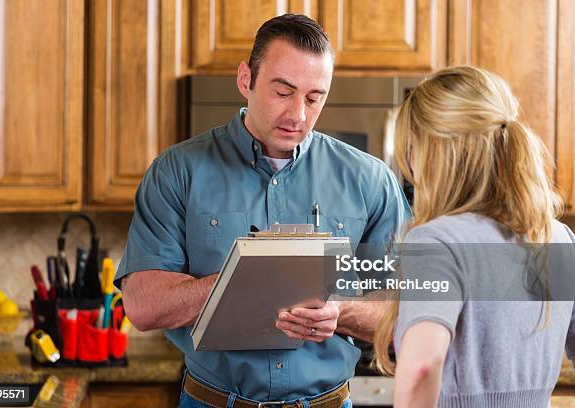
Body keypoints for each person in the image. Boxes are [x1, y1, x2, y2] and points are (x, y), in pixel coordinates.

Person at [115, 13, 410, 408]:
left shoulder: (371, 179)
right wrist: (238, 284)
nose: (298, 115)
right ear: (245, 80)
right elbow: (142, 306)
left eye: (313, 97)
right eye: (283, 92)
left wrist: (340, 310)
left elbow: (405, 310)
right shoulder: (176, 171)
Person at [374, 65, 575, 408]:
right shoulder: (556, 238)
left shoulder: (436, 243)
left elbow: (422, 367)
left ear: (435, 147)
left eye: (412, 147)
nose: (411, 165)